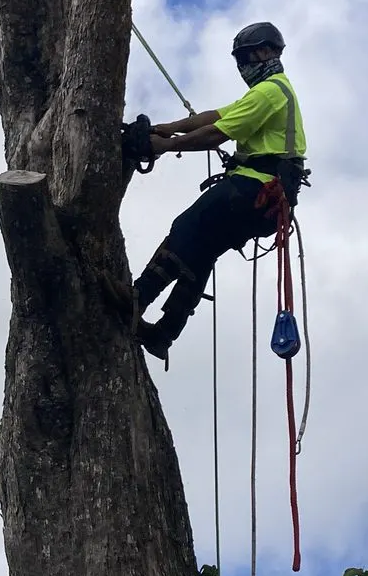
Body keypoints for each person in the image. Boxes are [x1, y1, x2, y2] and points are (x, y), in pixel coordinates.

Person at [107, 21, 307, 364]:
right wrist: (164, 129)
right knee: (201, 251)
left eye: (246, 57)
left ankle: (137, 296)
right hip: (266, 201)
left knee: (187, 228)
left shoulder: (272, 91)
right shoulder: (265, 93)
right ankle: (164, 333)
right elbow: (213, 117)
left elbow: (217, 133)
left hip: (257, 188)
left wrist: (166, 147)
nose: (244, 67)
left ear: (265, 53)